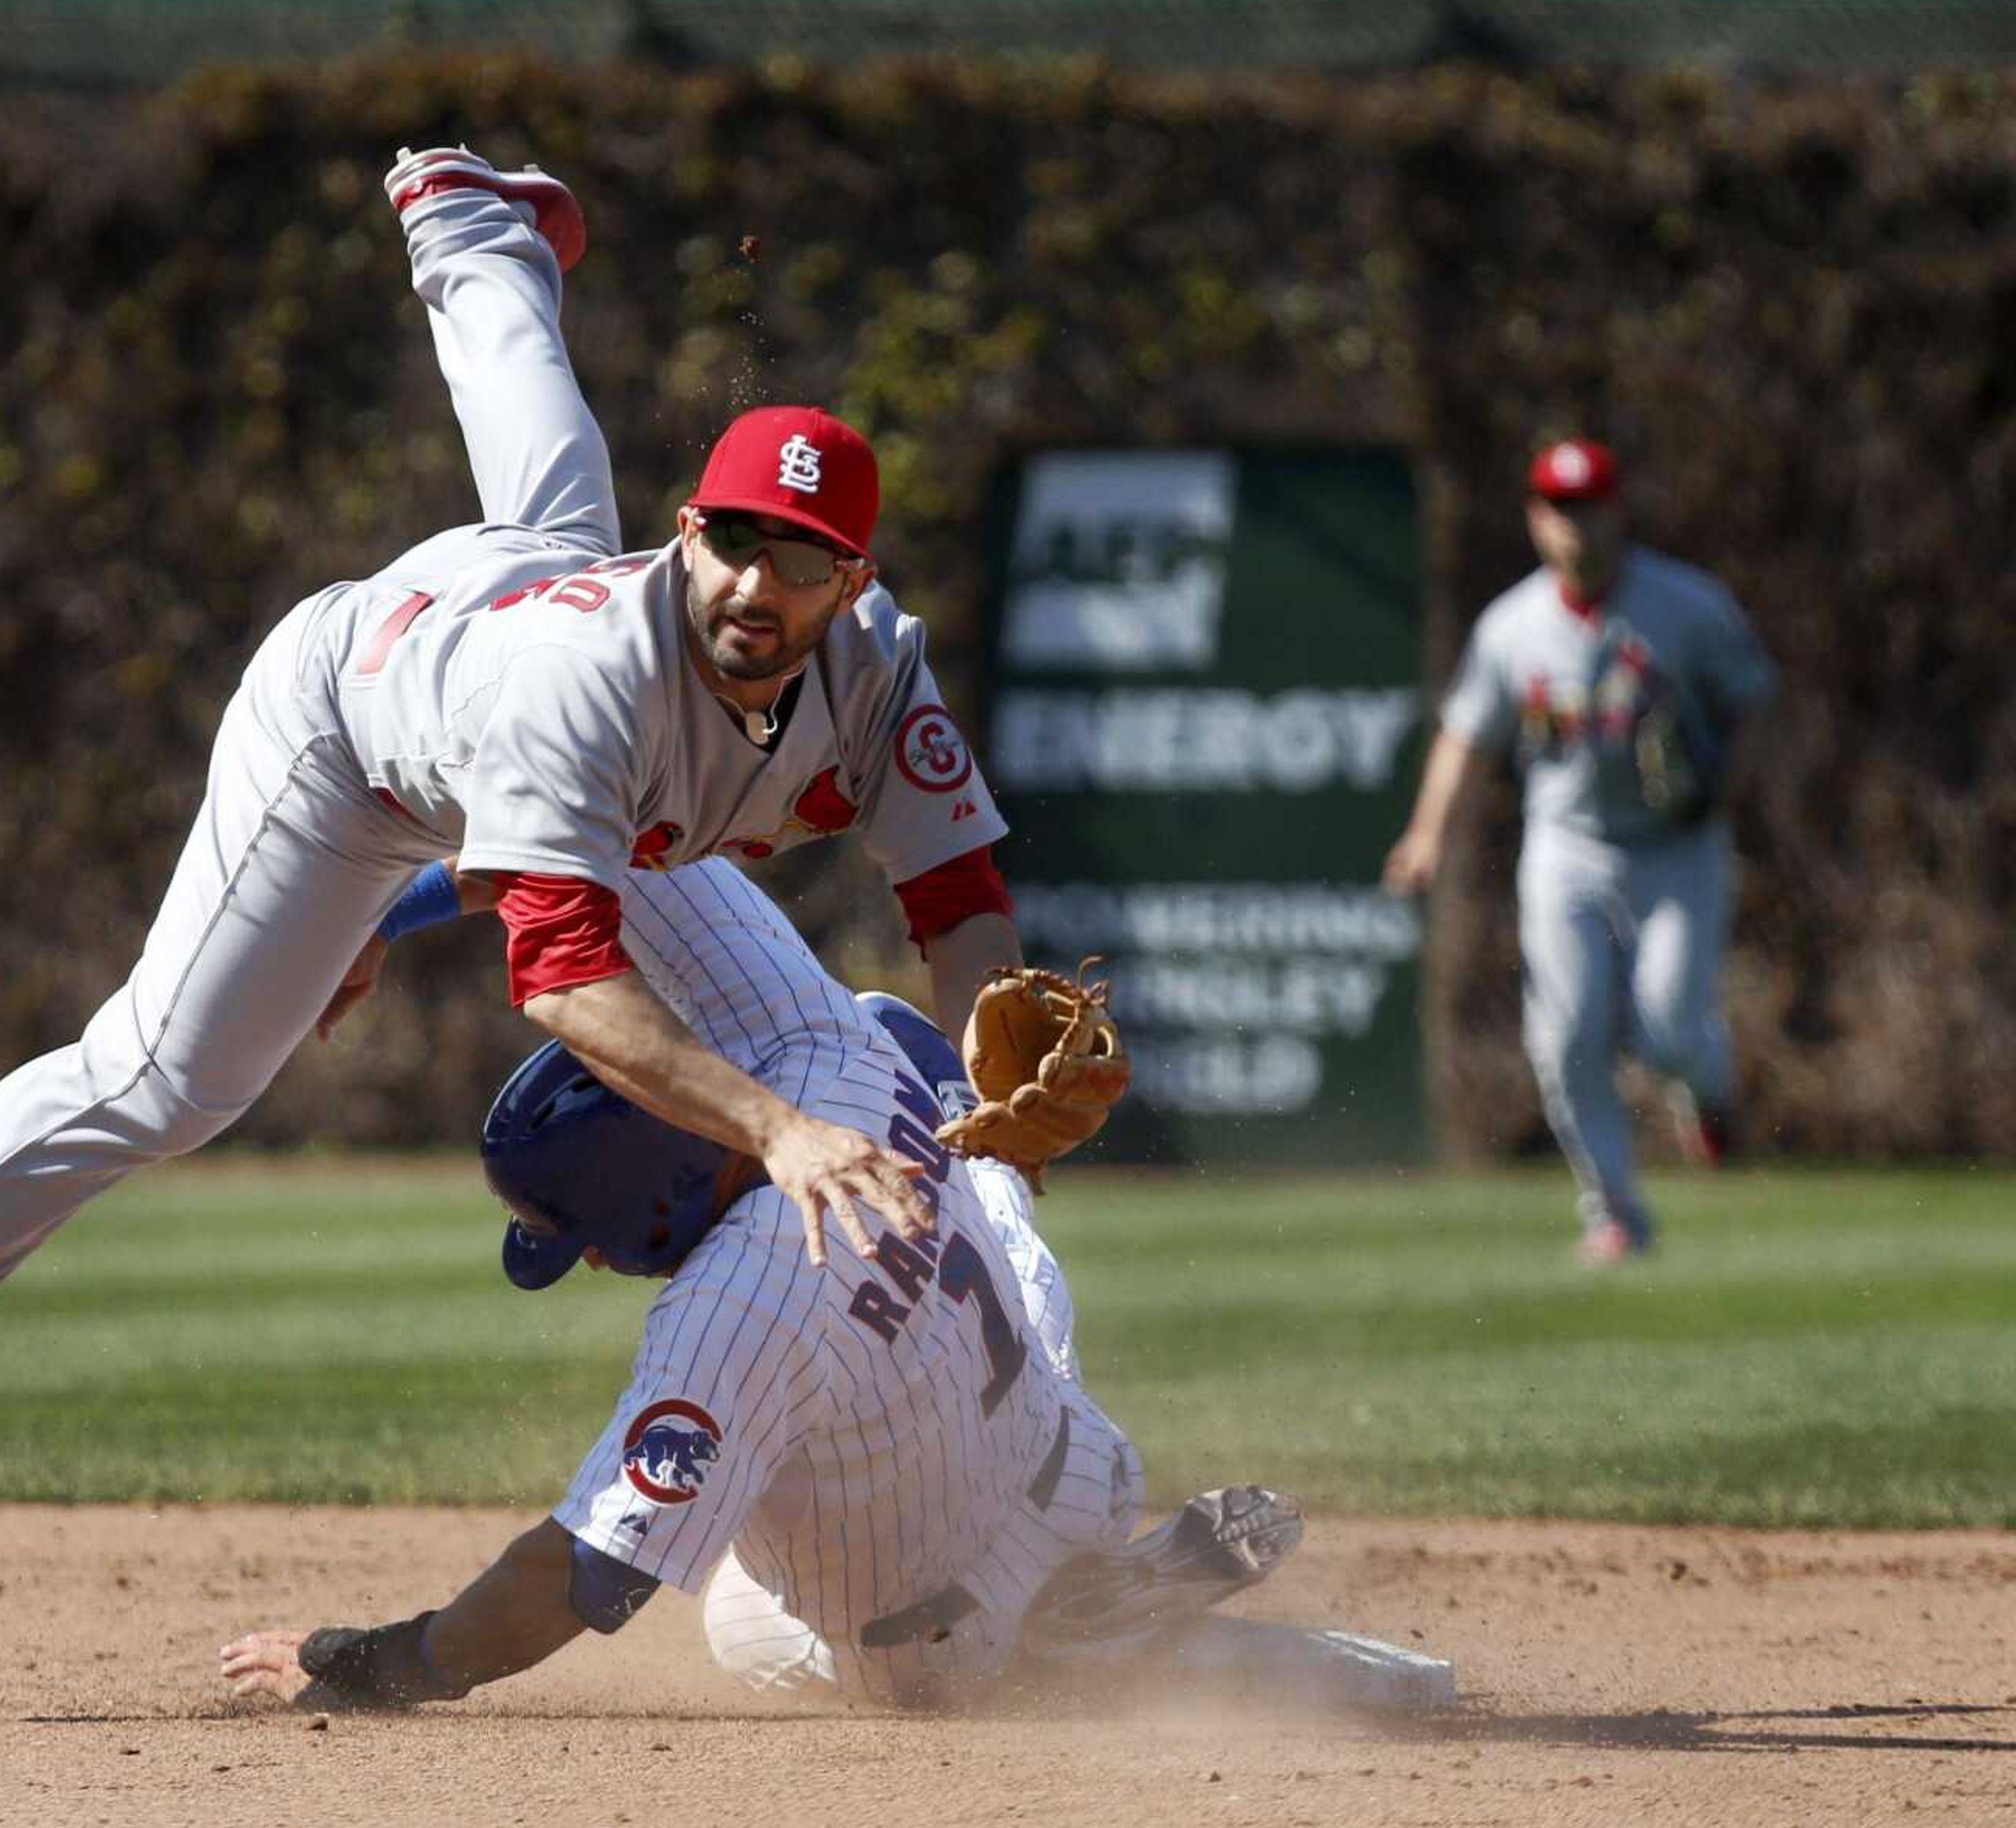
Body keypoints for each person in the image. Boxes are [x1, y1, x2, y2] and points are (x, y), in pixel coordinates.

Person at [0, 146, 1025, 1571]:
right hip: (357, 730)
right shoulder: (588, 679)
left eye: (800, 558)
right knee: (163, 1080)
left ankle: (471, 223)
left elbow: (960, 903)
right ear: (691, 531)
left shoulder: (879, 672)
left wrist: (997, 1094)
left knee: (550, 521)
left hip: (522, 659)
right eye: (730, 541)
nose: (753, 584)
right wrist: (778, 1127)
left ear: (858, 580)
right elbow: (568, 980)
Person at [221, 857, 1306, 1710]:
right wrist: (380, 915)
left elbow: (580, 1578)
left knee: (749, 1603)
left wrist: (371, 1659)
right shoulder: (832, 1031)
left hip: (947, 1634)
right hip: (1075, 1452)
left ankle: (1073, 1637)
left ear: (648, 1189)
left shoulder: (739, 1308)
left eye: (583, 1233)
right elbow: (566, 831)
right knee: (980, 1178)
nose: (592, 1258)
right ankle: (1099, 1571)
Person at [1384, 439, 1777, 1264]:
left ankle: (1707, 1096)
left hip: (1676, 845)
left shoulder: (1688, 604)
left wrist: (1726, 785)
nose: (1576, 525)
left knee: (1670, 1025)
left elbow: (1754, 703)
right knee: (1566, 1034)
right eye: (1559, 507)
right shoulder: (1513, 625)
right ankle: (1616, 1210)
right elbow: (1463, 736)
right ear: (1536, 517)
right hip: (1569, 846)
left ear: (1618, 509)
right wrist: (1426, 835)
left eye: (1589, 503)